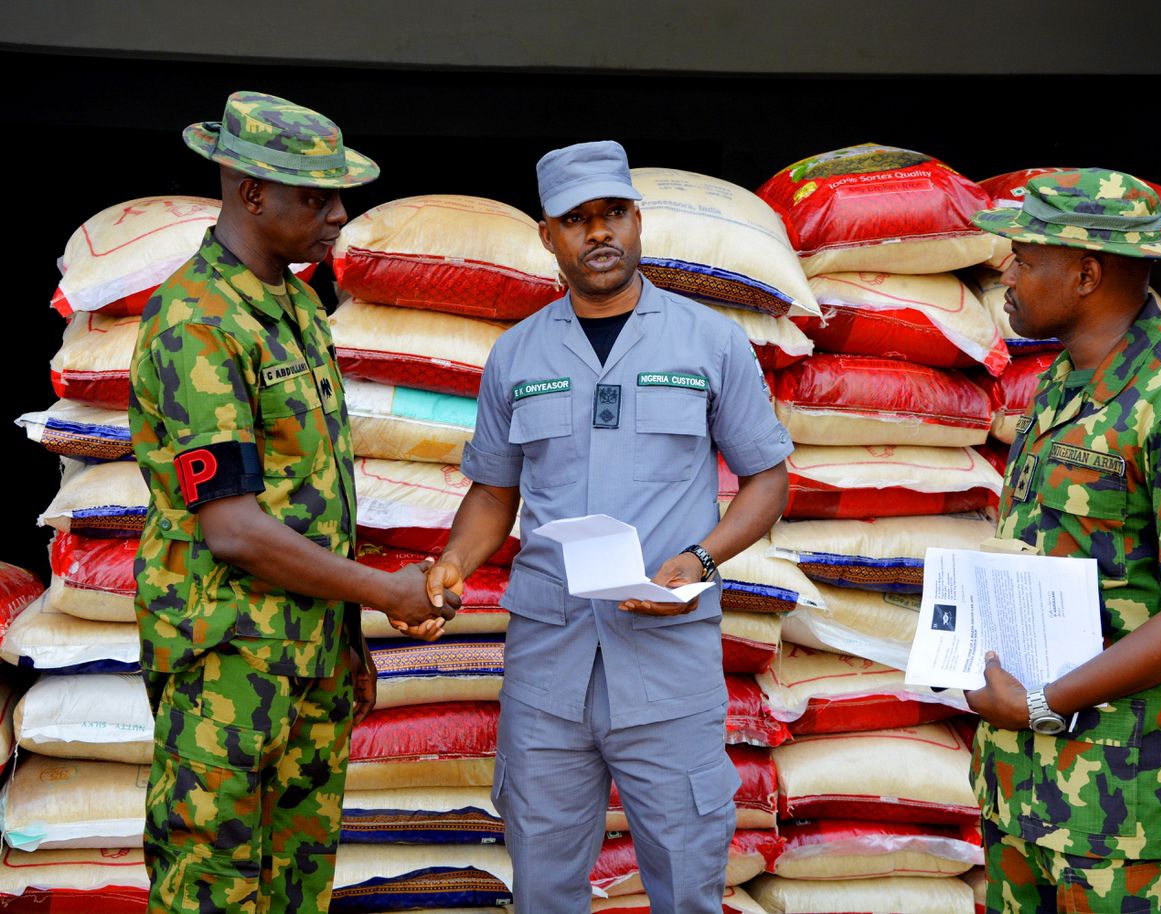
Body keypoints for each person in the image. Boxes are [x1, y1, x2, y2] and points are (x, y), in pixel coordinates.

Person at [426, 140, 792, 913]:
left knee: (688, 880)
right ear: (547, 236)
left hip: (668, 662)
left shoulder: (709, 340)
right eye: (577, 219)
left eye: (614, 214)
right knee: (546, 885)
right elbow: (494, 493)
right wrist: (454, 561)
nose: (600, 233)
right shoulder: (516, 354)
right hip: (549, 664)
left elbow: (768, 479)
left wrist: (700, 557)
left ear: (637, 219)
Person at [129, 90, 453, 914]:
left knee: (298, 890)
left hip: (310, 665)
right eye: (316, 196)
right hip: (229, 674)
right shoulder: (196, 322)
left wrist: (347, 635)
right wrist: (382, 593)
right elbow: (234, 529)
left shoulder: (297, 308)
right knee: (212, 893)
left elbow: (312, 493)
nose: (339, 214)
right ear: (250, 194)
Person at [964, 168, 1161, 914]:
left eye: (1027, 259)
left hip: (1126, 800)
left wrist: (1040, 702)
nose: (1008, 274)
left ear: (1087, 273)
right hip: (1023, 783)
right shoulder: (1063, 384)